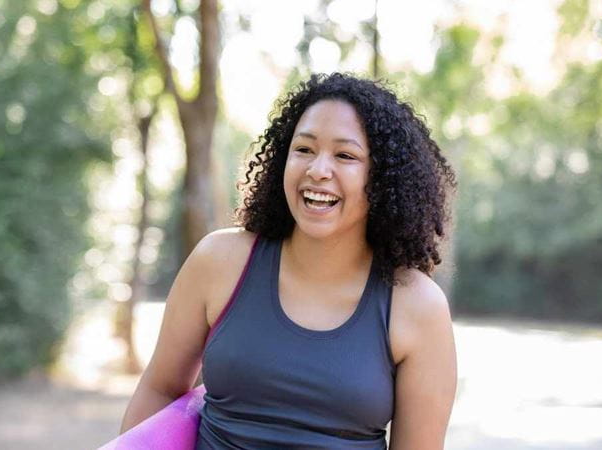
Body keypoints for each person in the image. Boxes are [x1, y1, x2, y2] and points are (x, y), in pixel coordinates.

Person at [120, 72, 457, 449]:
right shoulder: (219, 261)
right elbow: (160, 389)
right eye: (304, 149)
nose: (317, 170)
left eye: (345, 155)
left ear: (382, 179)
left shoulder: (417, 305)